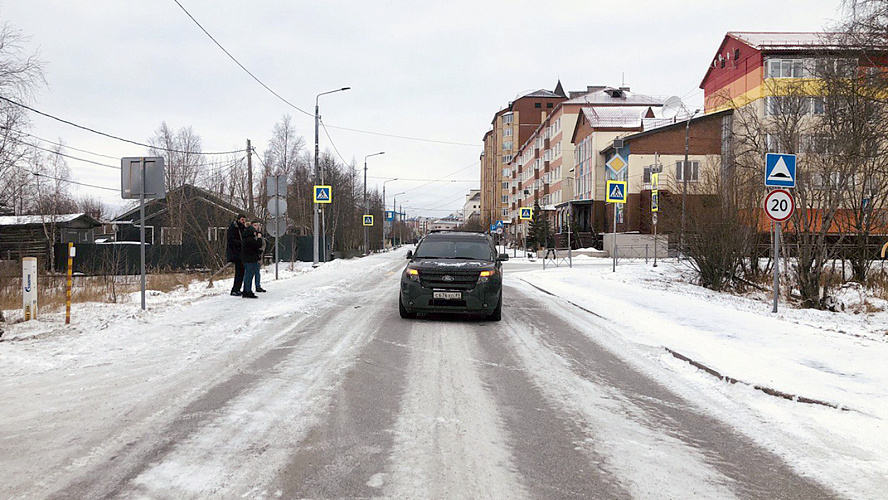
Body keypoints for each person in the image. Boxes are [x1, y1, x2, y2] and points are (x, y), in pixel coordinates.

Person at [240, 220, 263, 298]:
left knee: (248, 275)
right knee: (249, 275)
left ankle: (246, 290)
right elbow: (258, 245)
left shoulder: (245, 238)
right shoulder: (250, 239)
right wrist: (259, 238)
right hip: (250, 259)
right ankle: (247, 291)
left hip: (248, 258)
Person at [226, 214, 247, 296]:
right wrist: (241, 243)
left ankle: (237, 288)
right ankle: (235, 289)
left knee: (241, 272)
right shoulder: (233, 228)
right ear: (238, 219)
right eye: (242, 219)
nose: (243, 221)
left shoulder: (242, 228)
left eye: (244, 220)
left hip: (241, 252)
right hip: (236, 253)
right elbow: (231, 240)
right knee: (239, 272)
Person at [250, 220, 266, 293]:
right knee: (249, 272)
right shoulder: (249, 234)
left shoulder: (260, 235)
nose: (256, 227)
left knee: (257, 272)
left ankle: (258, 286)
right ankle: (247, 287)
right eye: (255, 225)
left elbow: (263, 244)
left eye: (257, 225)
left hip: (258, 256)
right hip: (251, 255)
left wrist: (261, 250)